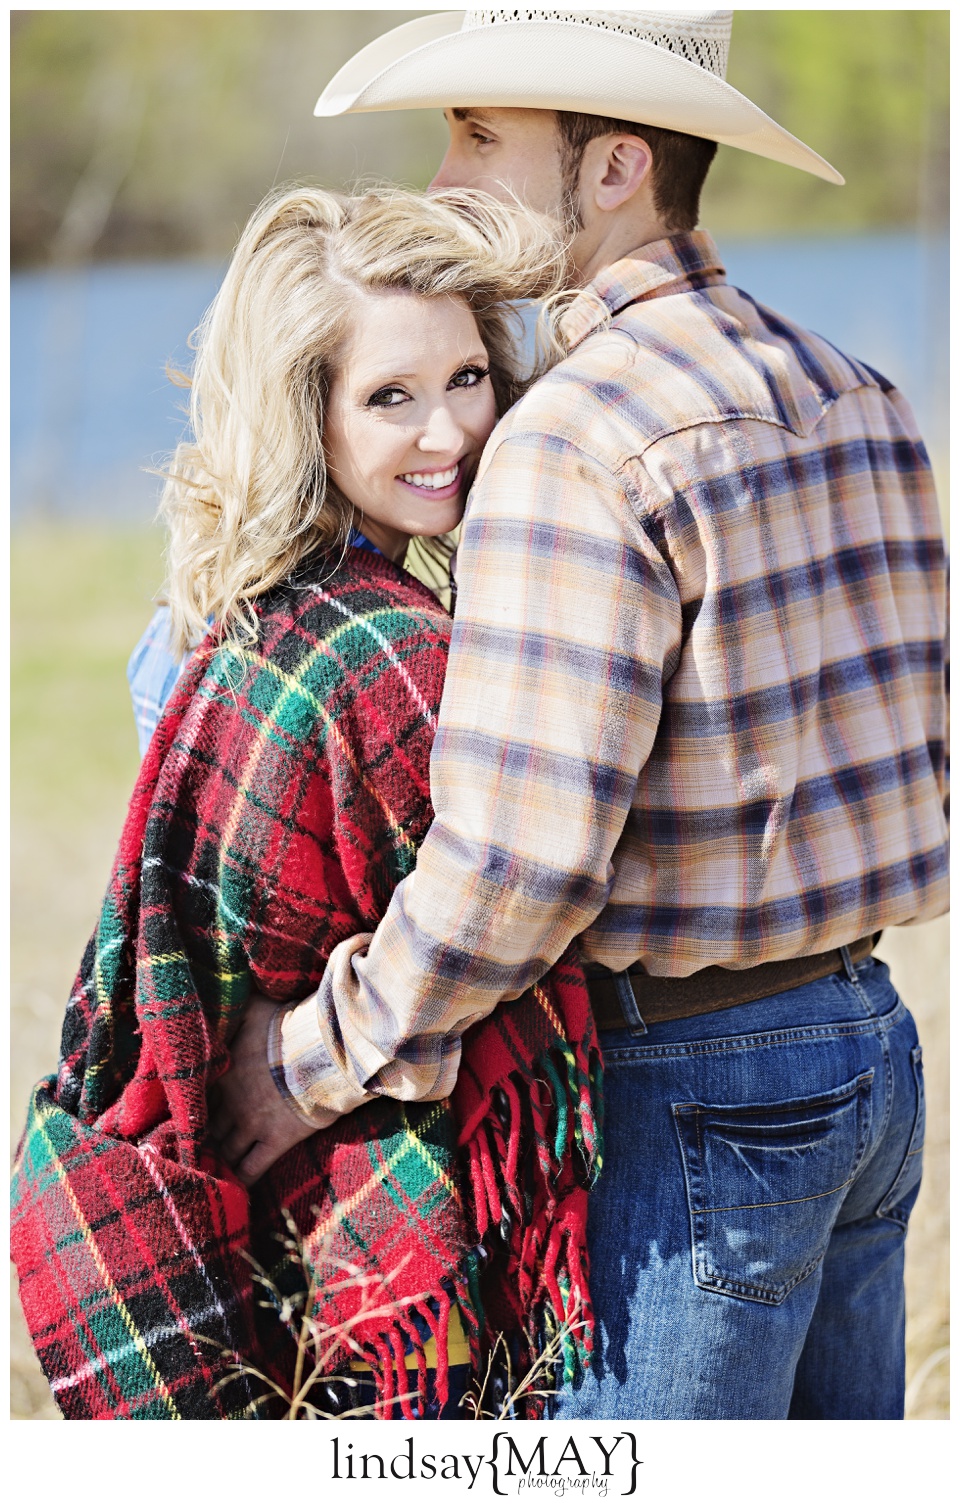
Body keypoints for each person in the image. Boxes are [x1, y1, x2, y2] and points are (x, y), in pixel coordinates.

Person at [208, 10, 949, 1421]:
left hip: (693, 1087)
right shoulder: (857, 388)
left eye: (481, 136)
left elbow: (517, 864)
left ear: (615, 169)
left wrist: (311, 1066)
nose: (443, 176)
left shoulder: (571, 437)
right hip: (872, 1048)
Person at [11, 183, 604, 1421]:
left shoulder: (215, 623)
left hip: (261, 1205)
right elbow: (503, 924)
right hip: (371, 1217)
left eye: (466, 379)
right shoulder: (398, 660)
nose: (449, 431)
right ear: (310, 417)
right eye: (390, 396)